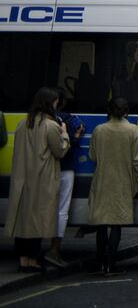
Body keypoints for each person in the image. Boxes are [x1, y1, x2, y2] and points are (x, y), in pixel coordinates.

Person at [3, 87, 69, 274]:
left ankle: (23, 261)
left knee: (23, 222)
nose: (57, 105)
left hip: (23, 179)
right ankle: (33, 262)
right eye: (56, 102)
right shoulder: (51, 126)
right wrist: (65, 134)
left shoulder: (23, 124)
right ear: (49, 103)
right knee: (38, 222)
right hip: (43, 180)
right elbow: (60, 151)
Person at [87, 98, 138, 276]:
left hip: (102, 180)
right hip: (123, 181)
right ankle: (111, 264)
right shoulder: (133, 130)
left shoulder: (99, 130)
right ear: (126, 111)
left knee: (102, 224)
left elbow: (93, 156)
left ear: (109, 111)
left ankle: (99, 263)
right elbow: (137, 161)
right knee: (117, 224)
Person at [48, 93, 84, 268]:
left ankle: (30, 252)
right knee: (62, 209)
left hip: (45, 169)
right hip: (65, 167)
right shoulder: (68, 119)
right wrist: (75, 135)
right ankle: (54, 249)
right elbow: (71, 143)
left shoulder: (32, 121)